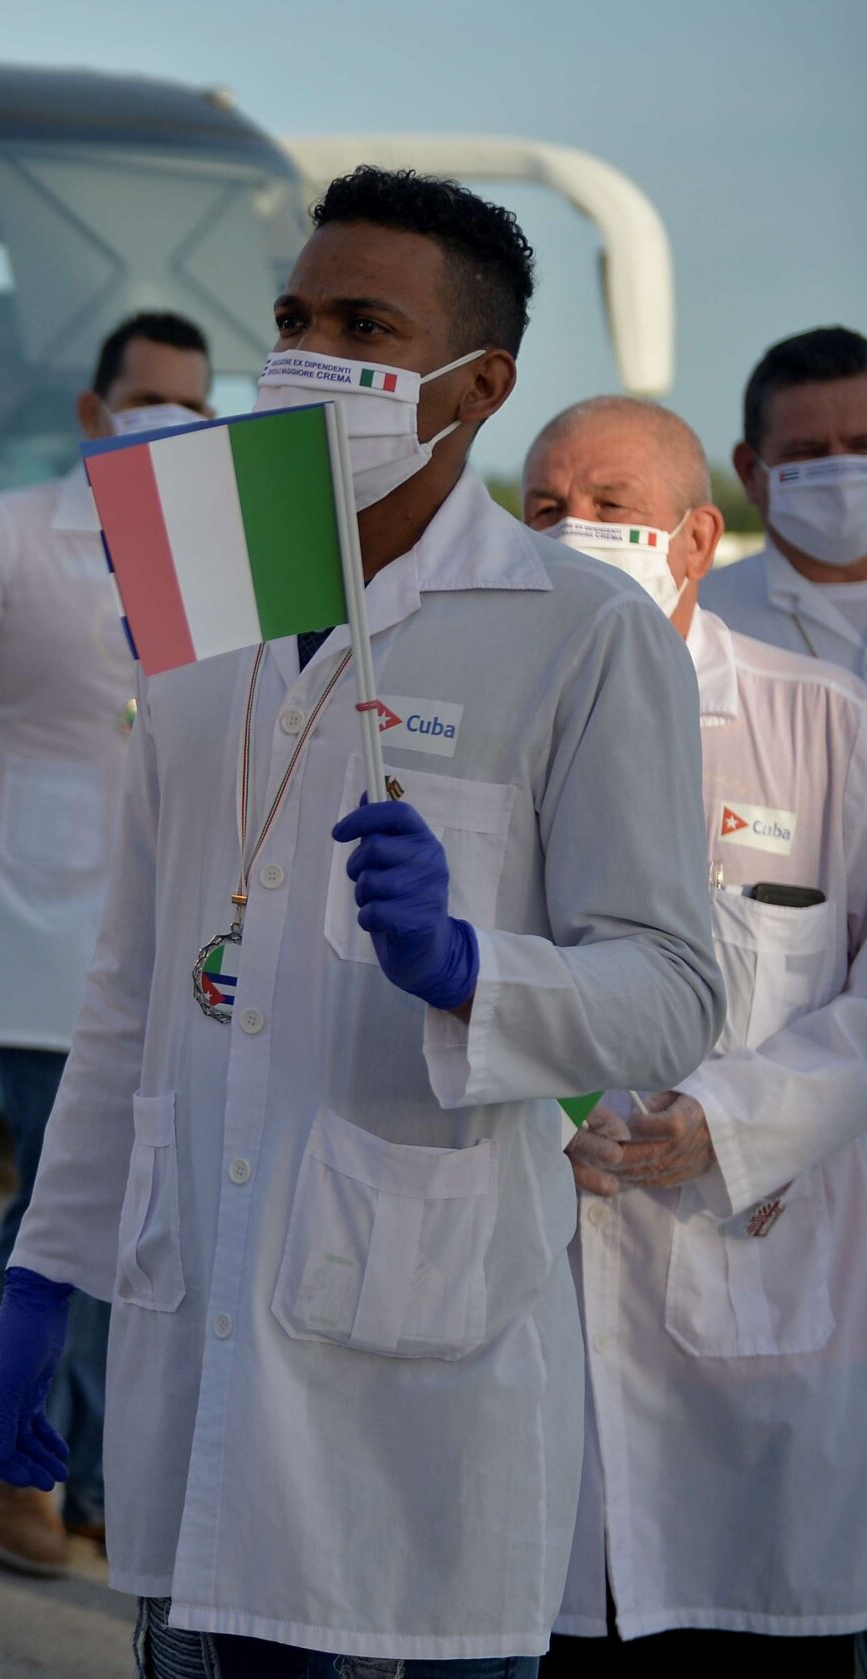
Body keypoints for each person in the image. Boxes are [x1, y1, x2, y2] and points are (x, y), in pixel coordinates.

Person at [0, 167, 726, 1674]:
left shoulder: (578, 633)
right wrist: (45, 1278)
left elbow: (671, 990)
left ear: (478, 383)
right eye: (296, 319)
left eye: (364, 326)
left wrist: (470, 971)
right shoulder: (206, 604)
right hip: (196, 1390)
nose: (309, 356)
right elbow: (129, 993)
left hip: (425, 1417)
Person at [0, 310, 214, 1573]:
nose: (167, 417)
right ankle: (11, 1451)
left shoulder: (219, 538)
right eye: (146, 396)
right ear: (93, 408)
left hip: (190, 918)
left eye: (191, 398)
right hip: (38, 910)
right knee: (66, 1191)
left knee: (158, 1203)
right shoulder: (9, 524)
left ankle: (109, 1472)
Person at [519, 396, 867, 1676]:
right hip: (539, 1302)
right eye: (548, 508)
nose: (576, 528)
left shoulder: (823, 723)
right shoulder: (494, 722)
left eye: (613, 507)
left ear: (696, 534)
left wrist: (734, 1120)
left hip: (758, 1304)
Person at [701, 327, 867, 675]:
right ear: (749, 472)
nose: (840, 473)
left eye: (862, 447)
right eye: (808, 452)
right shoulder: (701, 618)